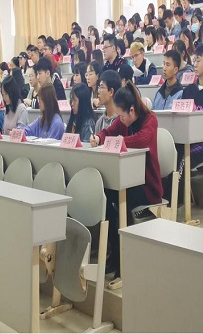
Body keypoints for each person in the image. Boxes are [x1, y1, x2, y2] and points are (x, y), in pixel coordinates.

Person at [90, 81, 162, 280]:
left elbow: (142, 139)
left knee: (120, 201)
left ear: (131, 110)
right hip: (128, 181)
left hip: (147, 186)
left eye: (122, 116)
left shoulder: (150, 120)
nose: (120, 119)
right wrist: (99, 137)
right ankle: (115, 255)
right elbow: (109, 131)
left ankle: (125, 260)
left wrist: (115, 141)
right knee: (106, 197)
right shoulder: (124, 120)